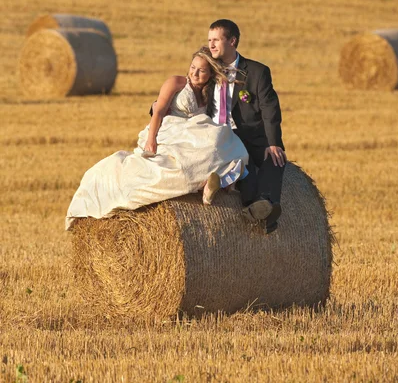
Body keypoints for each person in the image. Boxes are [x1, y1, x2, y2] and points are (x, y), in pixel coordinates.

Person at [65, 48, 248, 230]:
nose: (195, 73)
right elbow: (158, 110)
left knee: (221, 139)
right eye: (193, 67)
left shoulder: (210, 94)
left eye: (201, 70)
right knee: (179, 164)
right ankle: (209, 183)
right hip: (170, 130)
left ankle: (211, 186)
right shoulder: (177, 82)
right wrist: (151, 139)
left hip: (191, 132)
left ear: (210, 73)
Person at [208, 19, 286, 234]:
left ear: (232, 41)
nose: (211, 45)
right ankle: (264, 216)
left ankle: (264, 203)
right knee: (246, 172)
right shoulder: (207, 69)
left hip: (251, 136)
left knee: (276, 160)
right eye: (209, 40)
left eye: (216, 40)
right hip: (218, 136)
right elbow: (186, 90)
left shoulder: (257, 72)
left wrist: (273, 143)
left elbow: (270, 110)